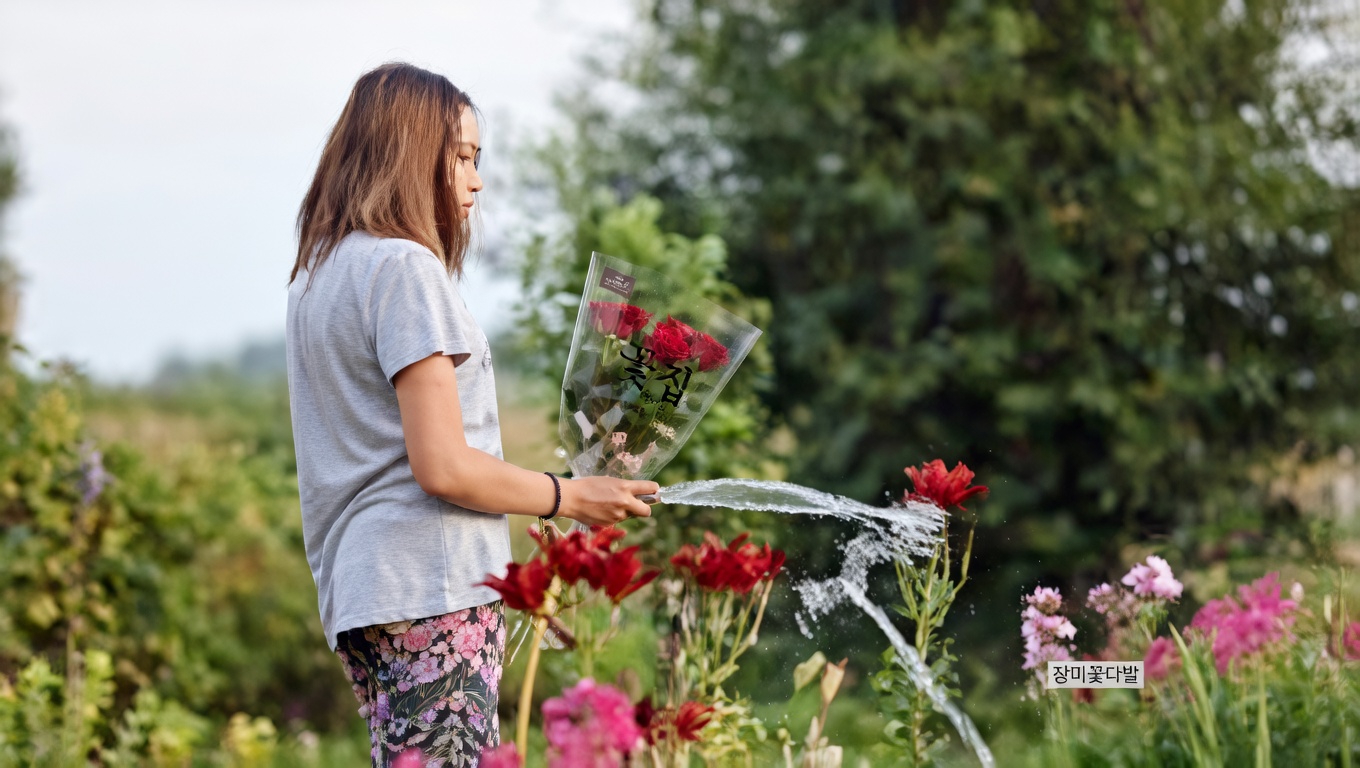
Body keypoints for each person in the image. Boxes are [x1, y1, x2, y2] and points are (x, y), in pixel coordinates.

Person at [285, 62, 659, 767]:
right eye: (460, 157)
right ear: (409, 155)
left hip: (365, 591)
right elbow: (444, 467)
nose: (476, 181)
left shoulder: (319, 275)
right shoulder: (403, 269)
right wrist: (568, 495)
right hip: (432, 583)